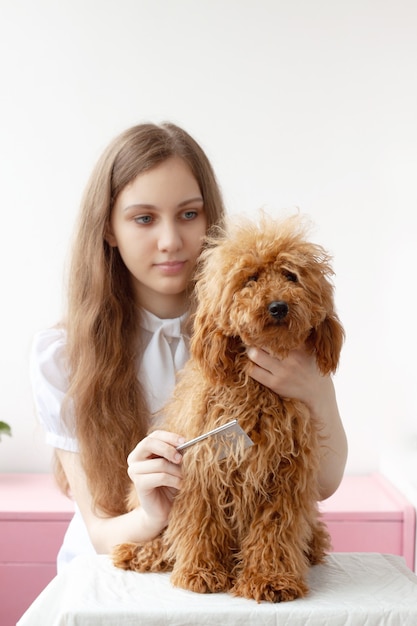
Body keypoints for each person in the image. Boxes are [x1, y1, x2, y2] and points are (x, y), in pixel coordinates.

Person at [30, 122, 348, 572]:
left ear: (210, 220)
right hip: (113, 573)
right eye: (144, 218)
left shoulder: (258, 331)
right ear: (108, 229)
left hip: (232, 573)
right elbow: (100, 533)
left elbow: (319, 485)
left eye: (188, 214)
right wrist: (149, 511)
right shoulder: (63, 354)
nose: (170, 241)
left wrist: (318, 392)